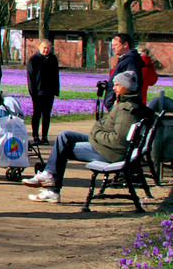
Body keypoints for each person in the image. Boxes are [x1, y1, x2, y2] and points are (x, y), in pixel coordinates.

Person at [28, 70, 152, 203]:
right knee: (64, 136)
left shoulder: (126, 110)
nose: (114, 88)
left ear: (126, 87)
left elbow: (118, 140)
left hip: (108, 152)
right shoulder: (124, 105)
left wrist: (97, 134)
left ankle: (52, 189)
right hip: (104, 145)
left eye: (117, 85)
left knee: (63, 148)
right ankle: (48, 175)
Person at [26, 38, 60, 143]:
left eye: (48, 48)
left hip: (49, 92)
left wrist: (56, 90)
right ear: (39, 48)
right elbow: (30, 78)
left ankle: (44, 136)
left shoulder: (53, 59)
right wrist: (32, 92)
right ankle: (35, 136)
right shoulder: (34, 60)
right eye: (44, 48)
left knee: (46, 115)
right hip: (38, 92)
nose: (46, 50)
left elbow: (56, 76)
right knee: (37, 114)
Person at [105, 32, 142, 108]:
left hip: (122, 104)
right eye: (112, 45)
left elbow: (130, 84)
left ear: (125, 45)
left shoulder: (130, 61)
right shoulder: (124, 60)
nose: (113, 48)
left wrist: (119, 100)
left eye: (115, 45)